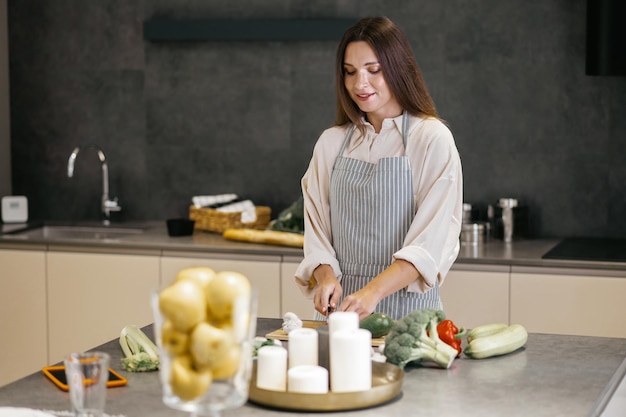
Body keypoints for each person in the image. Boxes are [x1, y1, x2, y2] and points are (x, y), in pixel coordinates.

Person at [294, 16, 463, 321]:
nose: (360, 84)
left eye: (374, 70)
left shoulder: (431, 139)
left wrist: (372, 292)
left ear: (398, 69)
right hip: (341, 318)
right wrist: (325, 276)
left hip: (409, 320)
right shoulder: (331, 143)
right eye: (350, 72)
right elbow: (317, 233)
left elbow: (429, 244)